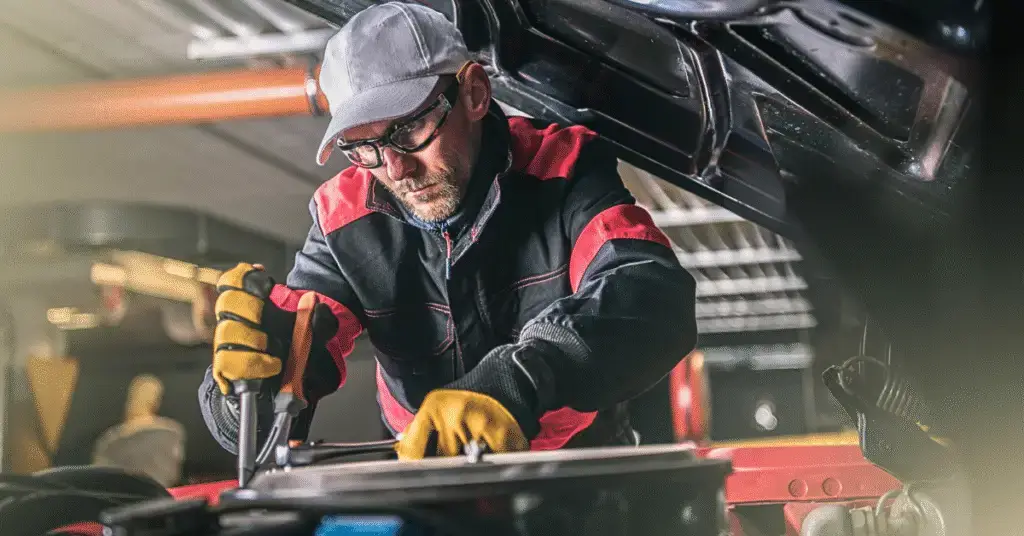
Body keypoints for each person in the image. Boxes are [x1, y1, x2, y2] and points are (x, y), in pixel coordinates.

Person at [199, 2, 697, 460]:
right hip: (424, 461)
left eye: (408, 130)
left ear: (474, 93)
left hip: (573, 459)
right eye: (362, 147)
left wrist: (519, 379)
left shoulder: (562, 168)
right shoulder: (342, 216)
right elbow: (282, 390)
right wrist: (248, 388)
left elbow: (647, 290)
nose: (395, 169)